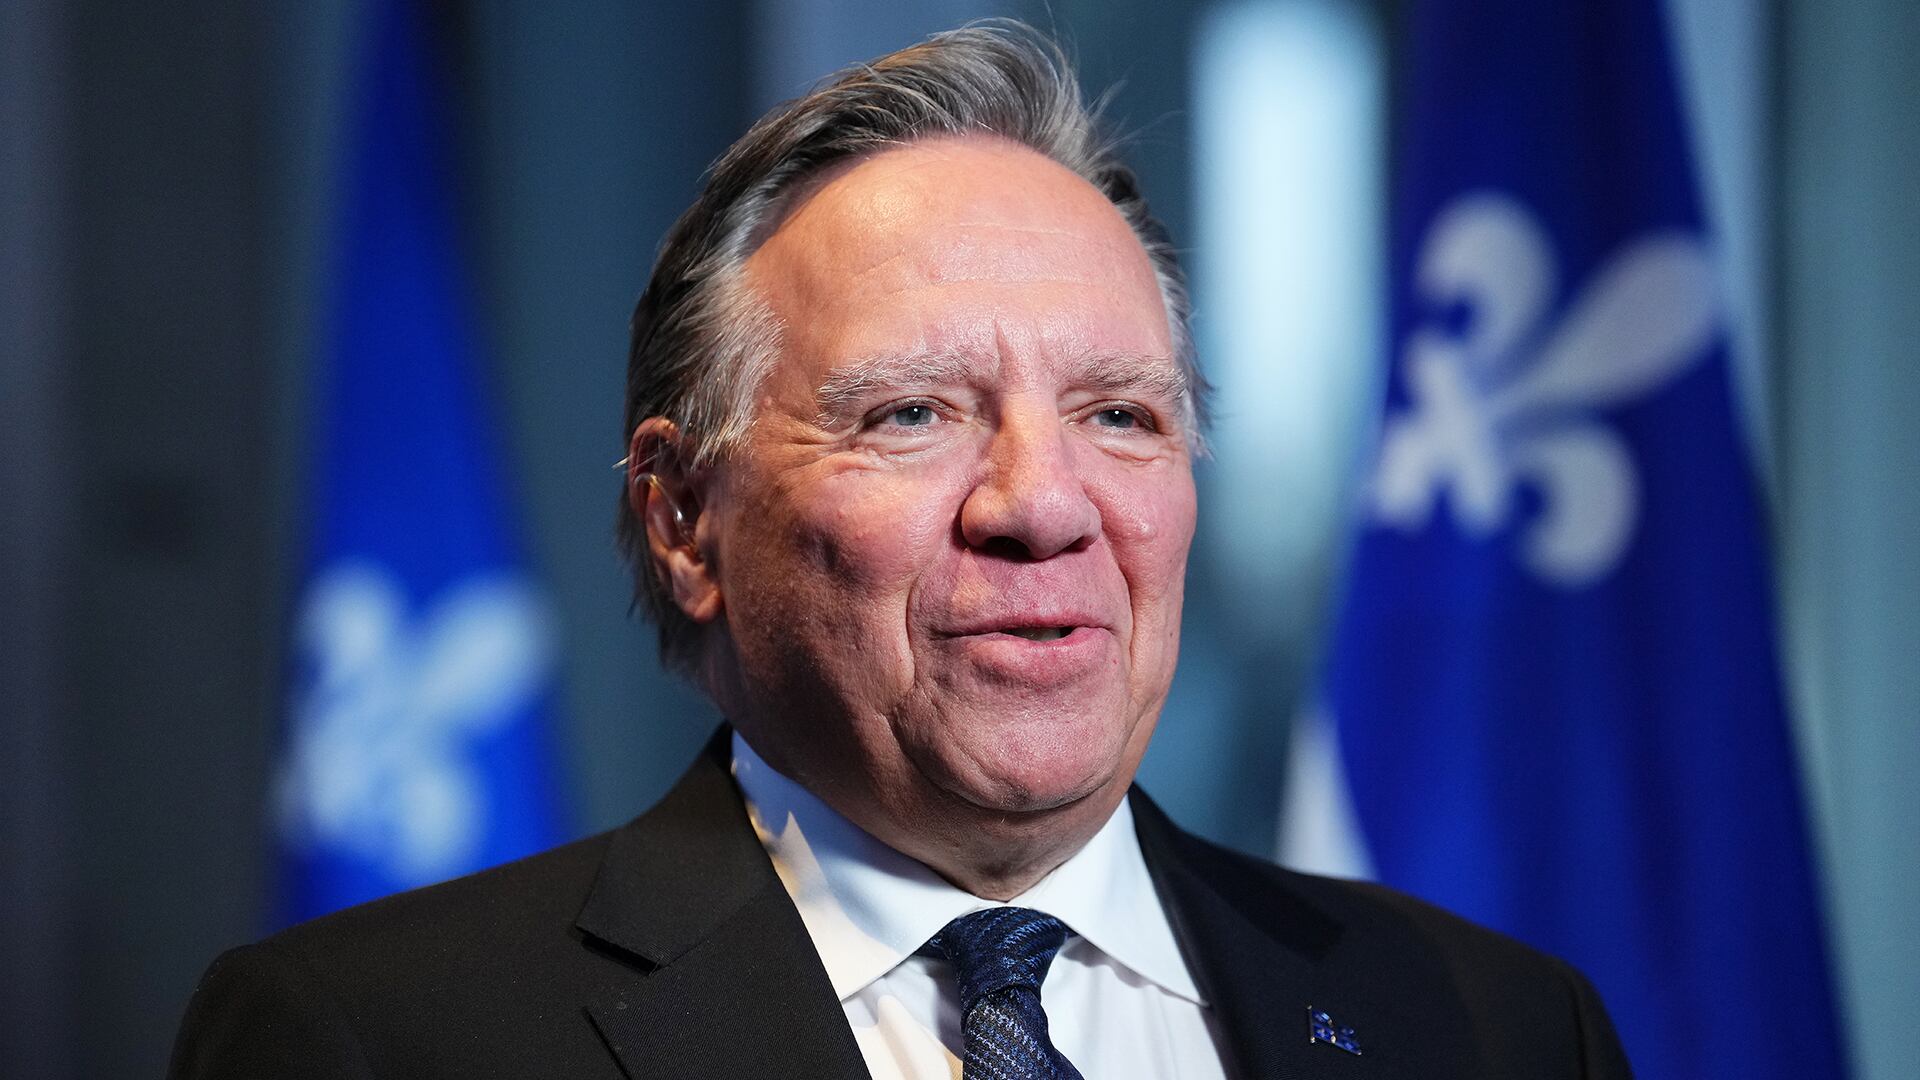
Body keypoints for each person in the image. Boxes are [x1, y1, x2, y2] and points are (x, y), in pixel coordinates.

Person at [170, 23, 1630, 1080]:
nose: (1042, 505)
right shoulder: (374, 1040)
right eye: (913, 413)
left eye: (1120, 415)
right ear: (683, 520)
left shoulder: (1492, 1027)